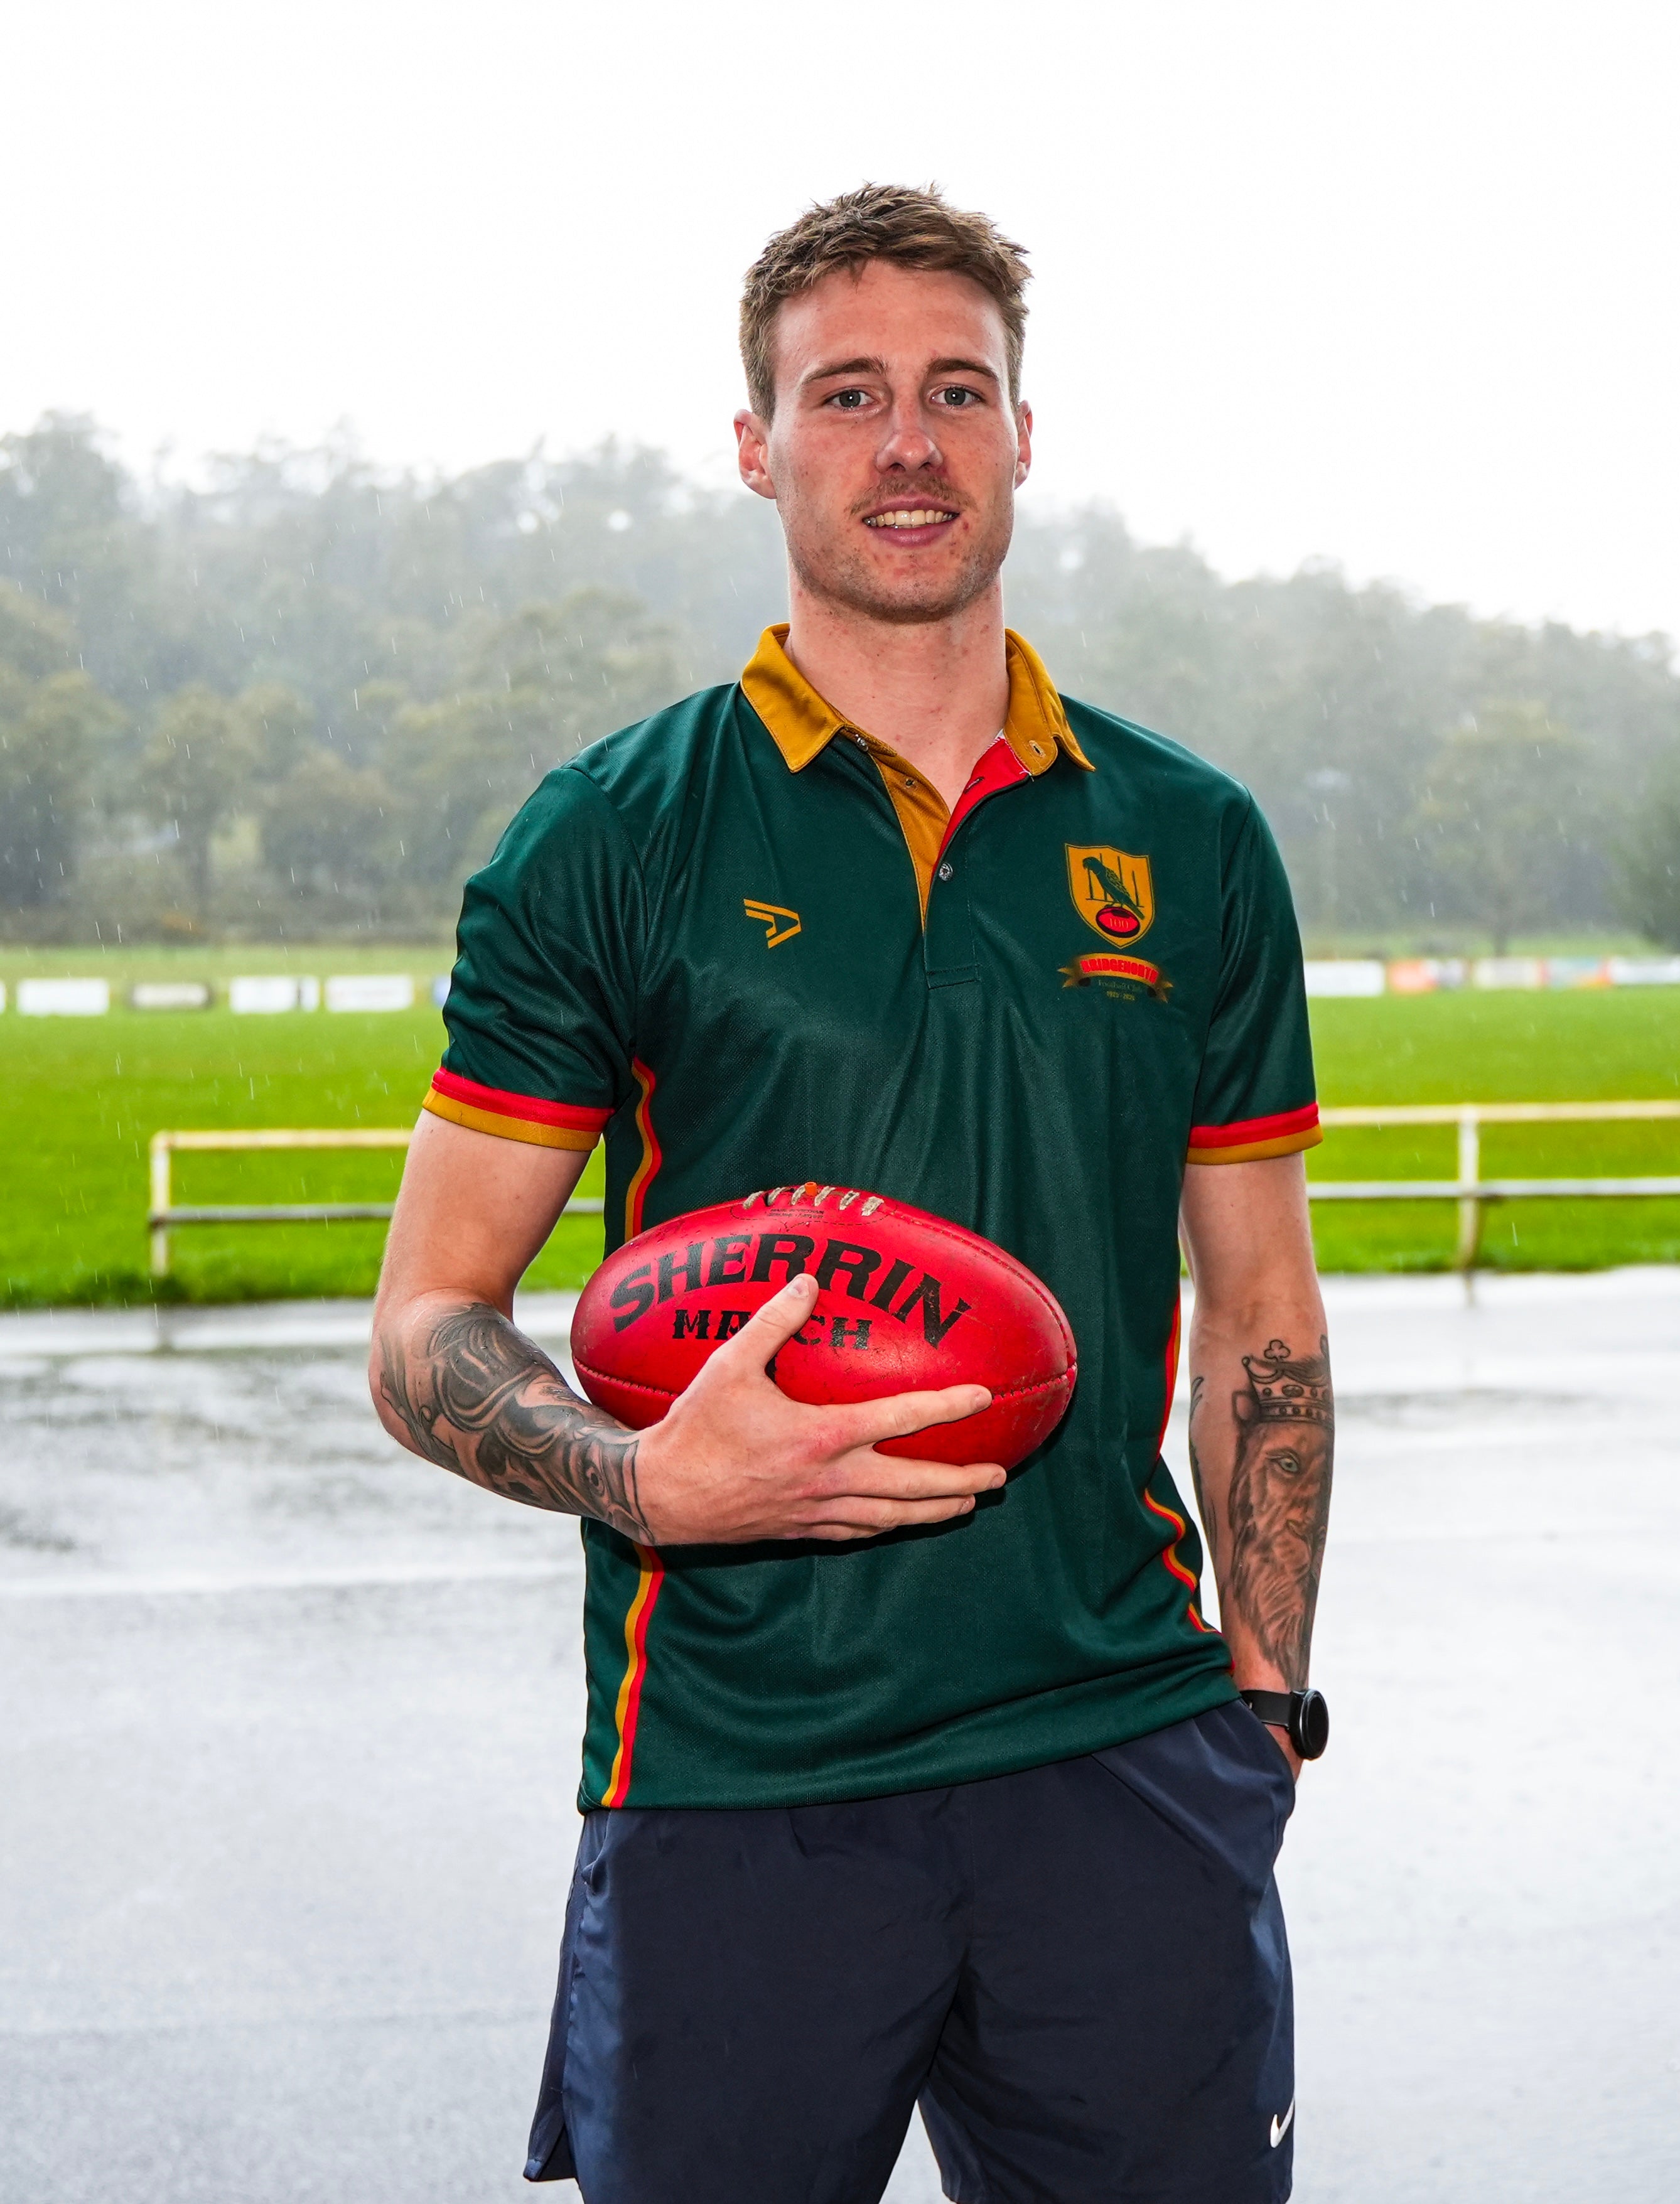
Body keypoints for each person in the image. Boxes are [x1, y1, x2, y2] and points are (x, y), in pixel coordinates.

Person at [371, 183, 1333, 2204]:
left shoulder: (1193, 836)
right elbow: (429, 1325)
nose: (909, 441)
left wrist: (1263, 1695)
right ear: (757, 445)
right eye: (848, 394)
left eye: (957, 390)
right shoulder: (606, 836)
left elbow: (1259, 1308)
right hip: (735, 1774)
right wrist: (652, 1484)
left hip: (1124, 1757)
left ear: (1023, 433)